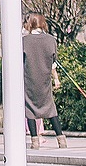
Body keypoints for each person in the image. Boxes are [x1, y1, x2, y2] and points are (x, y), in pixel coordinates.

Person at [23, 13, 66, 149]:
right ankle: (61, 139)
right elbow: (53, 62)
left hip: (29, 79)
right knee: (50, 108)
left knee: (30, 109)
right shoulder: (51, 40)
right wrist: (56, 78)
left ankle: (34, 141)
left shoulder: (24, 41)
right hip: (45, 80)